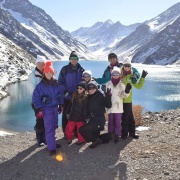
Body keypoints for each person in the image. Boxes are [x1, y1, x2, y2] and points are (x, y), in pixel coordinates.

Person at [32, 61, 64, 156]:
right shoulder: (40, 86)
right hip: (46, 109)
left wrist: (61, 104)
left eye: (50, 72)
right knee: (49, 128)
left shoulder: (56, 84)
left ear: (53, 73)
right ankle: (51, 148)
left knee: (54, 126)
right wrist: (39, 109)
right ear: (44, 73)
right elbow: (35, 98)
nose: (49, 74)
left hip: (54, 108)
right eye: (47, 72)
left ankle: (52, 143)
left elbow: (60, 94)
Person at [58, 51, 85, 138]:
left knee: (78, 114)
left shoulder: (81, 70)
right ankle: (66, 133)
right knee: (66, 114)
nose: (74, 60)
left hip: (78, 96)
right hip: (67, 96)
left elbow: (85, 82)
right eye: (72, 58)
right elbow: (60, 82)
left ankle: (77, 132)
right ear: (69, 59)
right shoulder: (65, 69)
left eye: (75, 58)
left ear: (78, 59)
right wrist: (65, 92)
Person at [79, 81, 112, 149]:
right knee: (94, 135)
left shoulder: (100, 96)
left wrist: (108, 95)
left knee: (82, 129)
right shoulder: (88, 97)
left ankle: (96, 140)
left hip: (98, 120)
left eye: (93, 88)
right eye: (90, 89)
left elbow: (108, 105)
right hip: (92, 119)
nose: (91, 90)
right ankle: (99, 139)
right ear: (87, 90)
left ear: (96, 88)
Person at [121, 58, 148, 140]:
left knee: (130, 118)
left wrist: (142, 77)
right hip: (120, 100)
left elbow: (139, 86)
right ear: (123, 66)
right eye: (125, 65)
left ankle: (131, 133)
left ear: (130, 66)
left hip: (128, 100)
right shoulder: (120, 75)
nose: (127, 67)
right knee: (125, 118)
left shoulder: (132, 76)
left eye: (128, 66)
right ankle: (124, 134)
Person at [106, 67, 131, 138]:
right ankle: (110, 134)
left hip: (118, 106)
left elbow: (124, 96)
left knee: (118, 122)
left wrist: (127, 91)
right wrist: (106, 94)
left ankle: (118, 134)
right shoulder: (109, 84)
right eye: (114, 74)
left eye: (117, 74)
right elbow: (106, 94)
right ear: (112, 75)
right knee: (110, 122)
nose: (115, 75)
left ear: (119, 75)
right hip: (110, 106)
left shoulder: (121, 85)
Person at [31, 55, 47, 147]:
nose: (41, 65)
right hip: (37, 102)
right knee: (40, 120)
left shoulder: (46, 72)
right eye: (39, 63)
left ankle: (45, 137)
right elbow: (32, 90)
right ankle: (39, 139)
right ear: (36, 64)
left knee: (46, 119)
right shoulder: (33, 74)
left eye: (43, 63)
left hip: (46, 102)